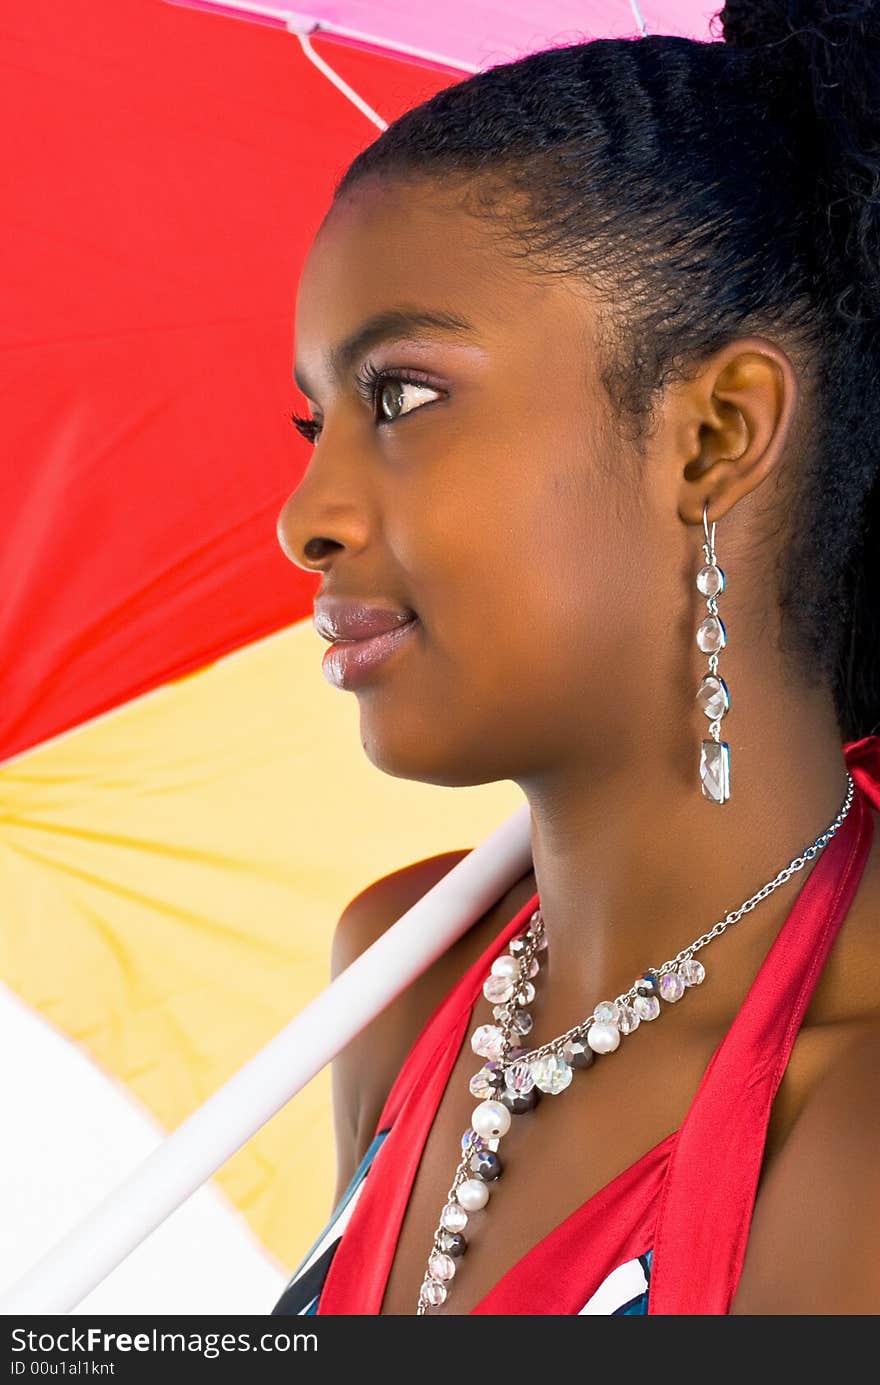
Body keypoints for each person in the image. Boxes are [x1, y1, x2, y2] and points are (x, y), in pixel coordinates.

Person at [271, 0, 880, 1315]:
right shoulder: (402, 971)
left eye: (405, 397)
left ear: (718, 436)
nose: (304, 516)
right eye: (314, 419)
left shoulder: (854, 1132)